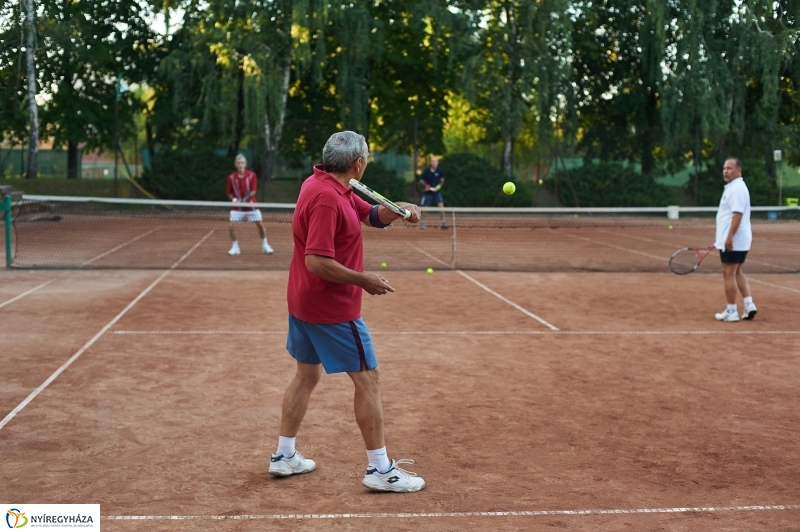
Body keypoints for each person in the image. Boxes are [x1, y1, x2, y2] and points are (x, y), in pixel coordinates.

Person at [269, 131, 426, 493]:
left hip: (304, 303)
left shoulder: (326, 184)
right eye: (367, 157)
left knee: (306, 376)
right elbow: (316, 261)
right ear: (358, 163)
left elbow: (370, 214)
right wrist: (362, 279)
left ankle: (284, 455)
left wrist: (399, 210)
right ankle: (380, 469)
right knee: (368, 380)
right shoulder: (327, 199)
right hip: (331, 308)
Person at [714, 157, 757, 322]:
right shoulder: (734, 187)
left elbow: (737, 215)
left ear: (739, 170)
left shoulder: (737, 189)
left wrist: (729, 238)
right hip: (737, 239)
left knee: (728, 273)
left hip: (734, 240)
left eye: (730, 168)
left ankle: (731, 311)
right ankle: (749, 304)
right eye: (725, 168)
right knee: (737, 271)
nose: (726, 171)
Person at [226, 154, 273, 255]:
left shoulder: (252, 175)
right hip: (237, 207)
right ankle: (235, 247)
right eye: (238, 163)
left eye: (242, 163)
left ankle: (265, 245)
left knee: (260, 224)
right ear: (235, 164)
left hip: (251, 205)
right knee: (231, 226)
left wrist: (245, 200)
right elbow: (229, 193)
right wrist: (235, 200)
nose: (240, 165)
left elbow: (253, 191)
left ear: (245, 164)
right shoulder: (231, 178)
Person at [418, 156, 447, 229]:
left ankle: (443, 222)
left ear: (437, 163)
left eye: (436, 161)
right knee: (425, 209)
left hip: (437, 193)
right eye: (433, 161)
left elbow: (442, 180)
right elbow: (421, 180)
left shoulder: (440, 170)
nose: (434, 163)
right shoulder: (427, 171)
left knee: (441, 207)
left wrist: (437, 187)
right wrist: (426, 186)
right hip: (428, 193)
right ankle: (423, 222)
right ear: (431, 163)